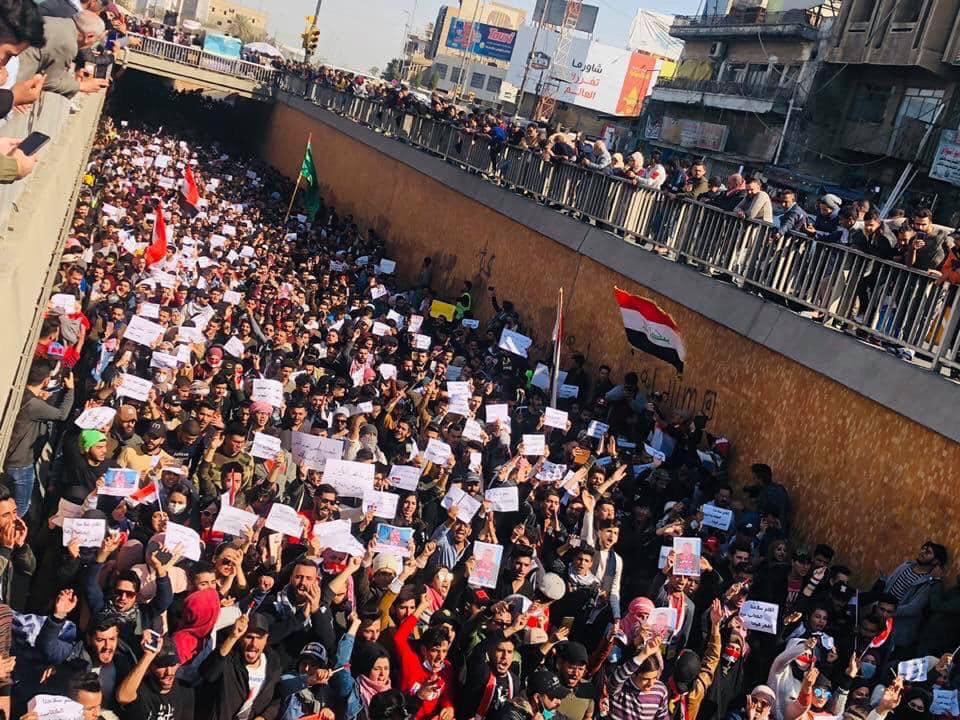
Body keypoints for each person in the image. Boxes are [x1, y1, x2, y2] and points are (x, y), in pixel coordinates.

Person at [4, 361, 74, 515]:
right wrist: (70, 391)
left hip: (12, 460)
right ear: (46, 381)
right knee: (21, 507)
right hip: (21, 464)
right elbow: (62, 415)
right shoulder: (33, 404)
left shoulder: (23, 396)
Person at [198, 613, 283, 720]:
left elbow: (277, 697)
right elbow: (208, 674)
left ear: (266, 638)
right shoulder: (229, 657)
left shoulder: (272, 661)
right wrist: (232, 637)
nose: (254, 644)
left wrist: (264, 717)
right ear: (240, 637)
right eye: (249, 637)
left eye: (259, 638)